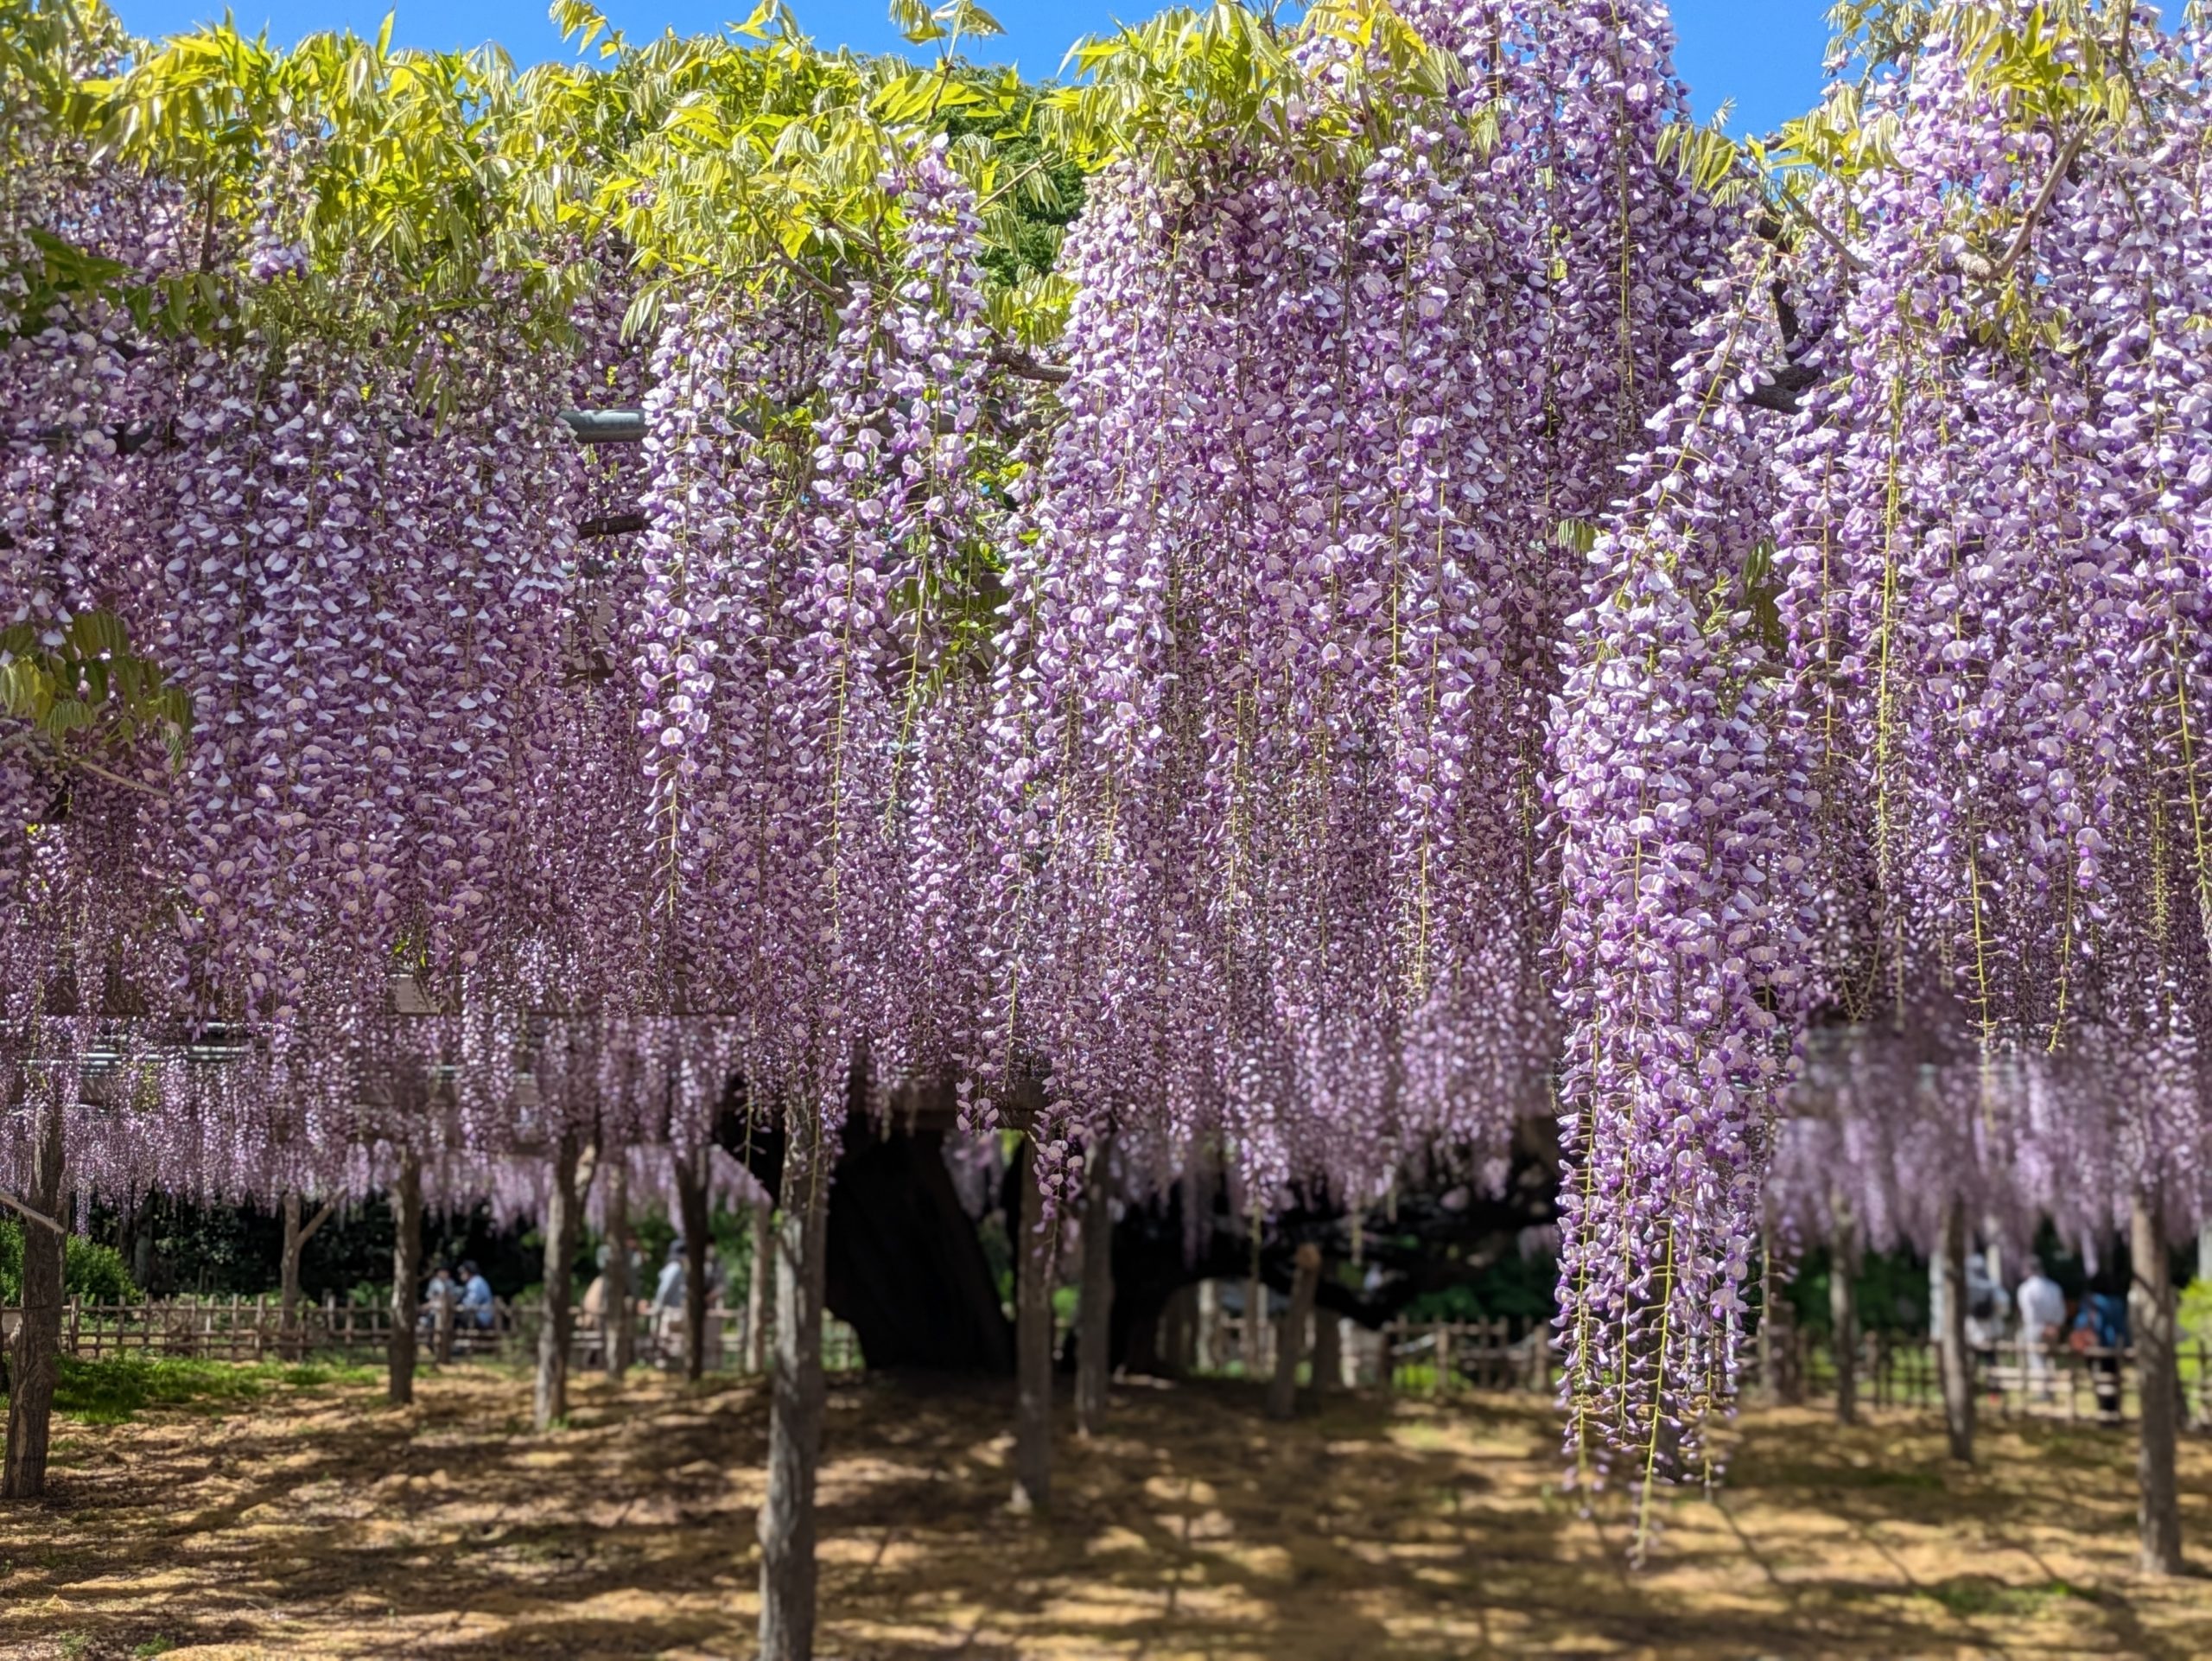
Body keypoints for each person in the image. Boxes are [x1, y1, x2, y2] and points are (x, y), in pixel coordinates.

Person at [2073, 1271, 2128, 1426]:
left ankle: (2104, 1413)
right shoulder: (2117, 1302)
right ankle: (2113, 1413)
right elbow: (2122, 1326)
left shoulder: (2090, 1301)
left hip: (2094, 1345)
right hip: (2113, 1345)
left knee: (2099, 1380)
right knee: (2113, 1379)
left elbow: (2081, 1322)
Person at [2016, 1260, 2066, 1403]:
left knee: (2037, 1359)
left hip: (2035, 1327)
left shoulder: (2026, 1288)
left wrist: (2041, 1327)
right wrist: (2055, 1325)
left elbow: (2028, 1312)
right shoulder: (2054, 1287)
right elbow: (2060, 1310)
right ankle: (2050, 1390)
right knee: (2050, 1359)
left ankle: (2043, 1392)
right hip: (2053, 1327)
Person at [652, 1242, 686, 1365]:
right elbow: (664, 1290)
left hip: (674, 1310)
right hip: (671, 1311)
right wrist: (658, 1307)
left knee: (673, 1341)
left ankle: (673, 1363)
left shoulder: (675, 1268)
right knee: (666, 1339)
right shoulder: (675, 1268)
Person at [458, 1260, 496, 1332]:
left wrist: (460, 1303)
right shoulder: (479, 1280)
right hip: (484, 1317)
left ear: (469, 1272)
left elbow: (471, 1302)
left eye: (463, 1272)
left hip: (481, 1317)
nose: (461, 1275)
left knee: (457, 1316)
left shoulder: (474, 1283)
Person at [419, 1263, 456, 1332]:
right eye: (440, 1271)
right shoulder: (434, 1282)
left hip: (447, 1310)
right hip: (434, 1309)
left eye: (444, 1271)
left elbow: (452, 1297)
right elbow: (430, 1298)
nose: (442, 1273)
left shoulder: (451, 1283)